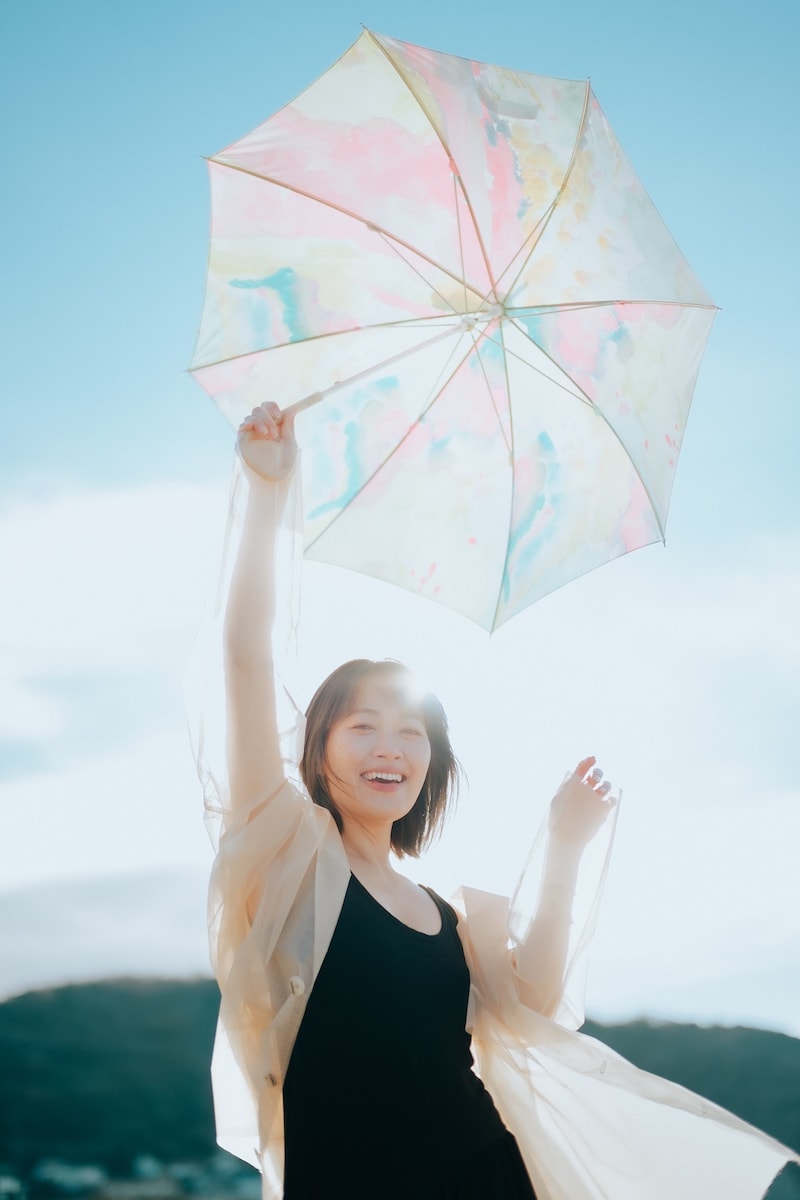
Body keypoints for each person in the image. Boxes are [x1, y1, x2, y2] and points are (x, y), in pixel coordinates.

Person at [203, 401, 799, 1200]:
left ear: (433, 764)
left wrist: (563, 843)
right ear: (318, 746)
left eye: (412, 732)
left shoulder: (446, 913)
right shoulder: (287, 855)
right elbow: (244, 658)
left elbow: (535, 1002)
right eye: (364, 725)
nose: (390, 747)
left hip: (485, 1174)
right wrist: (267, 492)